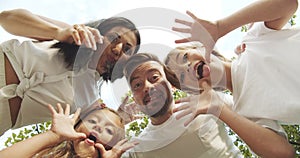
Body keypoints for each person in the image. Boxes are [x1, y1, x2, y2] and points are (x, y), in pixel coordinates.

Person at [122, 53, 295, 157]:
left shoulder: (209, 102)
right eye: (137, 85)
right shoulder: (137, 148)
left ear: (172, 85)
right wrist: (113, 123)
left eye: (154, 78)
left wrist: (219, 109)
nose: (147, 87)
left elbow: (283, 153)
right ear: (134, 98)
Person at [0, 9, 141, 135]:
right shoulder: (70, 34)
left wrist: (119, 118)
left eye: (127, 49)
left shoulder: (91, 102)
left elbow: (87, 134)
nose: (117, 49)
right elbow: (6, 18)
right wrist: (58, 33)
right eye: (113, 38)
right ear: (99, 33)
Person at [167, 0, 300, 124]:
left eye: (184, 57)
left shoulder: (252, 40)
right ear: (195, 90)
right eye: (182, 76)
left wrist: (219, 27)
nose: (187, 66)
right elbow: (283, 150)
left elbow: (289, 3)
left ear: (201, 47)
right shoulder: (244, 114)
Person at [0, 100, 138, 158]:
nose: (98, 127)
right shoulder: (49, 151)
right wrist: (52, 135)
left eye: (109, 131)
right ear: (76, 126)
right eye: (92, 121)